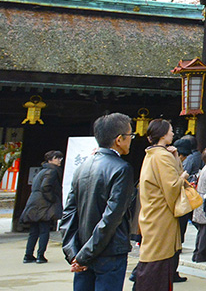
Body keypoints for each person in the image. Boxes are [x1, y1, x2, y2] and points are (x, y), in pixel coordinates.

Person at [62, 113, 136, 291]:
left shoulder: (83, 167)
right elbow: (112, 218)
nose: (131, 140)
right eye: (130, 135)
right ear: (119, 139)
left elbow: (69, 213)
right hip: (109, 250)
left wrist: (74, 252)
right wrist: (83, 255)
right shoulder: (121, 169)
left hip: (82, 247)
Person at [136, 119, 187, 291]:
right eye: (171, 130)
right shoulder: (162, 155)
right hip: (161, 216)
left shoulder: (151, 154)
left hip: (152, 213)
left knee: (152, 260)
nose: (173, 133)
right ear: (164, 133)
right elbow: (171, 188)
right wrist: (183, 177)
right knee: (158, 261)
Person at [22, 149, 64, 263]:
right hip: (44, 204)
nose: (59, 160)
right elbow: (46, 187)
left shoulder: (42, 171)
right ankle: (41, 255)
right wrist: (53, 199)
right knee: (44, 230)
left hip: (34, 203)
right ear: (50, 160)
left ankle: (28, 255)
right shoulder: (52, 171)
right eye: (57, 158)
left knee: (34, 231)